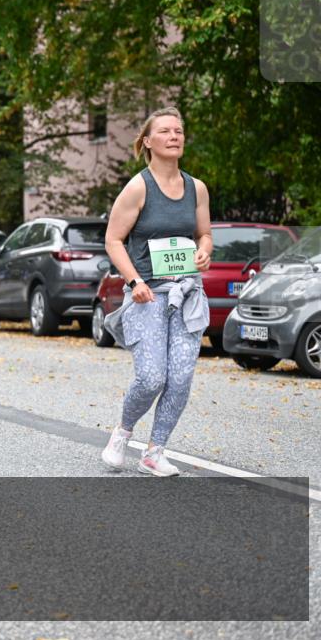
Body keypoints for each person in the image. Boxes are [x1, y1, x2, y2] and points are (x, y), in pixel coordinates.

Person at [100, 107, 212, 477]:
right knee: (151, 377)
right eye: (165, 131)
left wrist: (205, 251)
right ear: (148, 141)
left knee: (180, 379)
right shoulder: (138, 187)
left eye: (178, 130)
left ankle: (154, 451)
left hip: (187, 294)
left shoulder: (196, 188)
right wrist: (135, 282)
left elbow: (204, 234)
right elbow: (113, 240)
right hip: (148, 294)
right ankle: (122, 433)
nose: (174, 136)